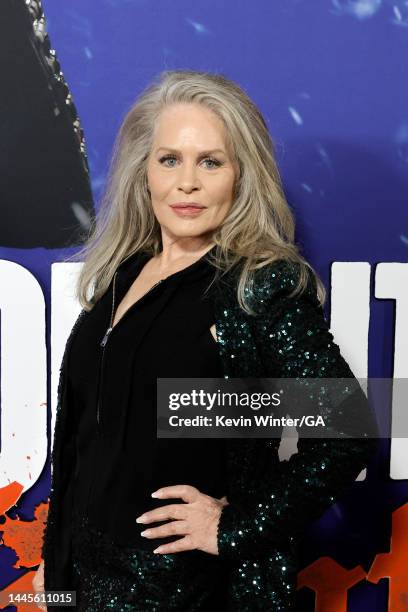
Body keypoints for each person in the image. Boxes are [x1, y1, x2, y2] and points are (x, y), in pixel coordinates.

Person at [34, 70, 378, 611]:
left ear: (242, 177)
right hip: (79, 588)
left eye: (210, 161)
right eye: (169, 159)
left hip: (188, 593)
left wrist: (239, 527)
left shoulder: (256, 286)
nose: (186, 183)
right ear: (143, 171)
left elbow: (347, 433)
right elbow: (85, 446)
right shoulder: (121, 276)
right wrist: (54, 570)